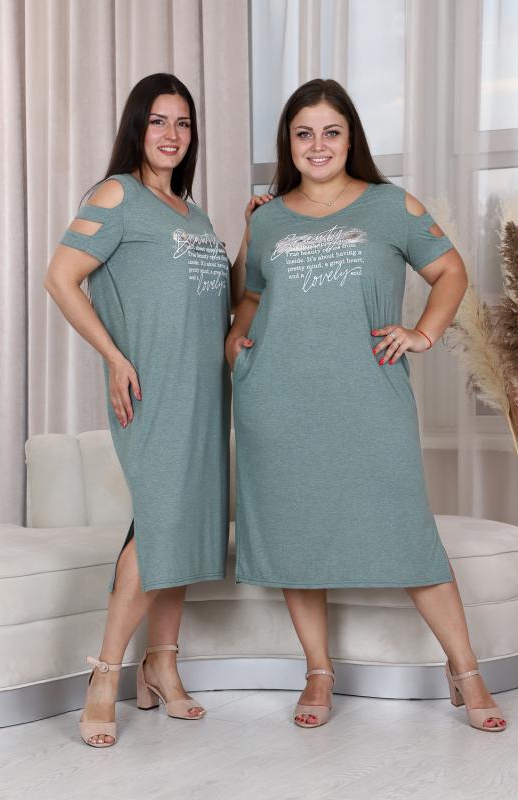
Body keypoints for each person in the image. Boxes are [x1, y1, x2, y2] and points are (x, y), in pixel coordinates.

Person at [226, 78, 507, 733]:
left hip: (369, 399)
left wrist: (423, 333)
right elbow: (252, 296)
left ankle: (465, 670)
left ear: (350, 137)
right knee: (296, 533)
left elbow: (450, 270)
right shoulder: (267, 218)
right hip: (279, 403)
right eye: (304, 133)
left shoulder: (390, 205)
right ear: (288, 143)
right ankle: (318, 672)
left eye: (331, 131)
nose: (317, 145)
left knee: (407, 533)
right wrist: (236, 344)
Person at [45, 73, 266, 747]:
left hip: (206, 390)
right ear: (137, 127)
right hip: (151, 388)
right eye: (158, 121)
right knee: (164, 523)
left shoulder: (191, 211)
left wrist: (248, 237)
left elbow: (220, 296)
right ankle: (105, 674)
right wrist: (114, 357)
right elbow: (61, 277)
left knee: (185, 527)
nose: (172, 134)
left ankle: (161, 667)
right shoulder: (116, 195)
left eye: (183, 123)